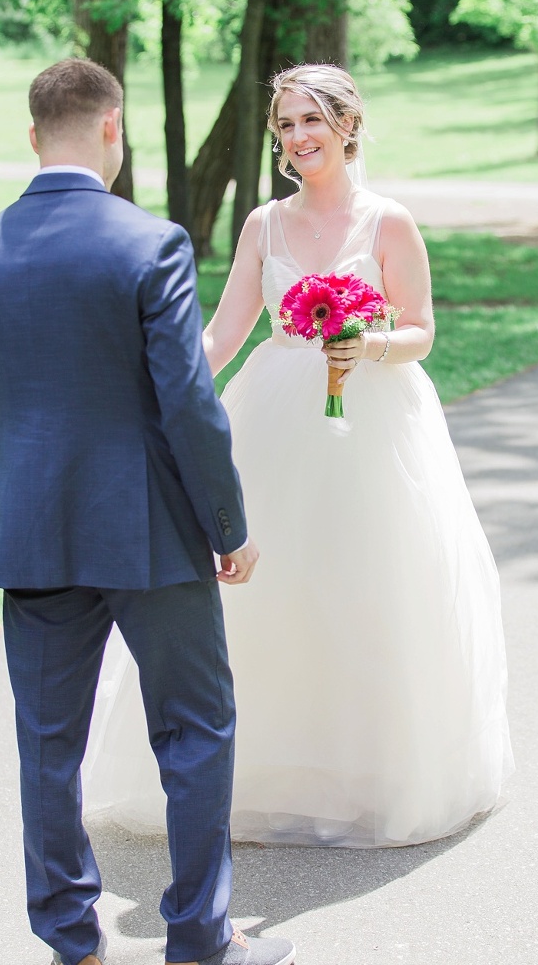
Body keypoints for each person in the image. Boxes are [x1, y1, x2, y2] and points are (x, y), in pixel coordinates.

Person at [83, 63, 513, 849]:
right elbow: (222, 335)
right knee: (271, 592)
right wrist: (159, 396)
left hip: (372, 420)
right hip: (275, 414)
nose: (298, 137)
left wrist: (368, 341)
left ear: (348, 125)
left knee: (365, 584)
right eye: (285, 124)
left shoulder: (389, 223)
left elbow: (420, 330)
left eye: (312, 120)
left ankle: (372, 771)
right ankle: (266, 775)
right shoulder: (263, 225)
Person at [0, 57, 295, 965]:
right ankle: (199, 940)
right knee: (194, 728)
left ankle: (71, 937)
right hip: (151, 536)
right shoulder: (151, 243)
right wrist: (228, 523)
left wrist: (15, 521)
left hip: (34, 536)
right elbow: (185, 402)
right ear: (113, 128)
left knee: (47, 746)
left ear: (33, 137)